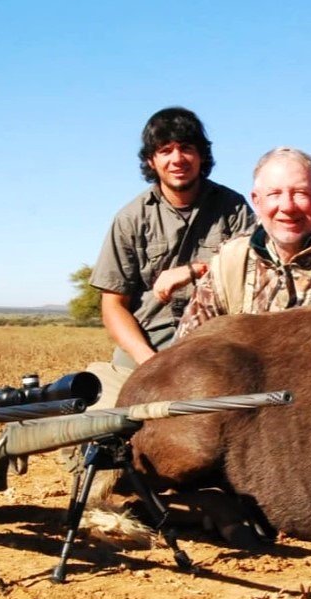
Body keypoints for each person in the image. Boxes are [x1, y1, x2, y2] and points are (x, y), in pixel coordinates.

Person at [88, 107, 253, 403]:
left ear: (202, 156)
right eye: (165, 150)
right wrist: (149, 362)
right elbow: (113, 306)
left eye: (186, 148)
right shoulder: (130, 218)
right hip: (148, 344)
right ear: (152, 160)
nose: (177, 159)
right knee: (102, 422)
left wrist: (192, 271)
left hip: (216, 343)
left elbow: (257, 273)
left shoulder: (234, 208)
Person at [175, 147, 311, 336]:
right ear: (256, 201)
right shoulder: (228, 262)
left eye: (300, 193)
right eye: (274, 194)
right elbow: (186, 351)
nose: (287, 206)